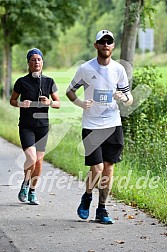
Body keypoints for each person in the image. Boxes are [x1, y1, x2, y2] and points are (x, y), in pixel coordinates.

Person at [66, 30, 133, 224]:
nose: (106, 45)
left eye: (109, 42)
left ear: (113, 46)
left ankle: (102, 210)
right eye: (102, 42)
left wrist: (124, 98)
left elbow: (129, 99)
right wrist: (80, 103)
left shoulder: (119, 70)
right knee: (96, 168)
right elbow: (70, 91)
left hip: (113, 125)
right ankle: (87, 196)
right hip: (92, 125)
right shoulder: (86, 69)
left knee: (108, 169)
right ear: (96, 45)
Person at [10, 48, 60, 205]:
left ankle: (32, 191)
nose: (36, 62)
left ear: (42, 62)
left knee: (38, 162)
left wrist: (49, 102)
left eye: (39, 59)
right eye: (33, 59)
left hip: (42, 126)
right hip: (26, 126)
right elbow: (12, 100)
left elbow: (58, 103)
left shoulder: (49, 81)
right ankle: (25, 183)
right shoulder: (21, 82)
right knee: (31, 158)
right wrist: (20, 104)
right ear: (28, 63)